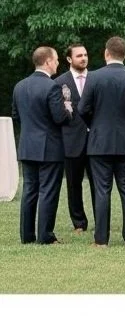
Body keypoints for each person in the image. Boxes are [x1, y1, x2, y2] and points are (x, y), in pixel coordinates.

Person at [78, 36, 125, 247]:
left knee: (102, 190)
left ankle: (101, 239)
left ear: (106, 53)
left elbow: (82, 109)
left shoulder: (94, 77)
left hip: (100, 142)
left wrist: (94, 124)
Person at [11, 46, 72, 244]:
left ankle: (27, 235)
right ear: (47, 62)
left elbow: (16, 115)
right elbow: (59, 118)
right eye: (55, 60)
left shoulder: (19, 86)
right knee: (48, 191)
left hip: (27, 145)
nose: (57, 64)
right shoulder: (52, 86)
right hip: (49, 147)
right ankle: (45, 236)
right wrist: (68, 109)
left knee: (30, 191)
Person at [53, 43, 95, 233]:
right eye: (79, 56)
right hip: (71, 139)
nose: (83, 58)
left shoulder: (97, 78)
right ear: (69, 59)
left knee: (98, 183)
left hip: (96, 138)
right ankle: (79, 223)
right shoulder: (59, 82)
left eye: (85, 55)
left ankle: (100, 218)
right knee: (73, 183)